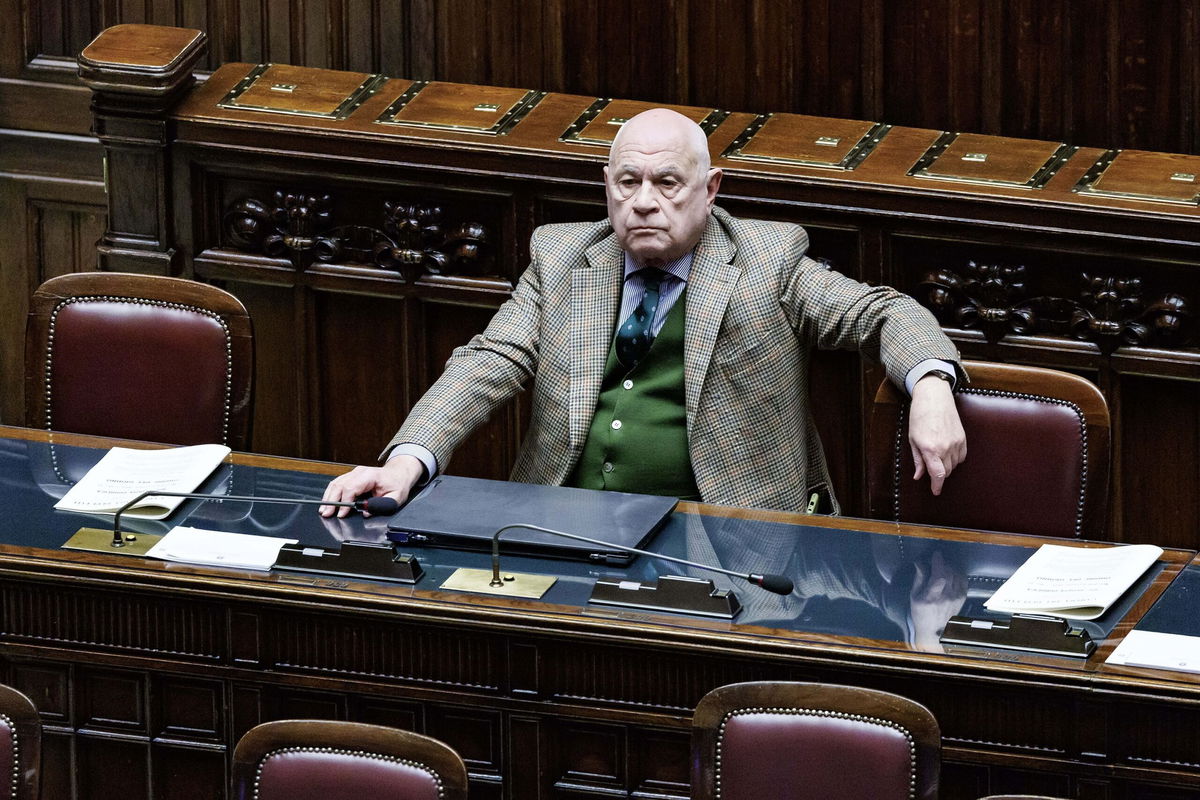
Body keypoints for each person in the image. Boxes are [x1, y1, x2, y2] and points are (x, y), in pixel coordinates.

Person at [320, 108, 966, 518]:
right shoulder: (564, 257)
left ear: (710, 191)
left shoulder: (767, 260)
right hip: (563, 524)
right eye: (628, 183)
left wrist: (931, 385)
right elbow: (490, 361)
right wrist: (406, 461)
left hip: (730, 539)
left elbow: (881, 312)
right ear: (607, 187)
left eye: (667, 184)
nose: (645, 203)